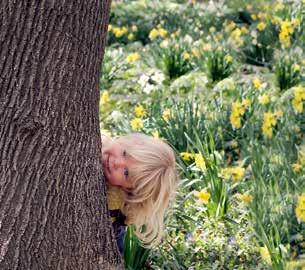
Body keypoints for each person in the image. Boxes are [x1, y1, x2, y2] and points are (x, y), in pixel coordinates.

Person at [101, 132, 178, 254]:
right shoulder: (96, 140)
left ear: (128, 189)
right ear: (126, 140)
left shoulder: (117, 203)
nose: (117, 163)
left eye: (126, 173)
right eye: (125, 153)